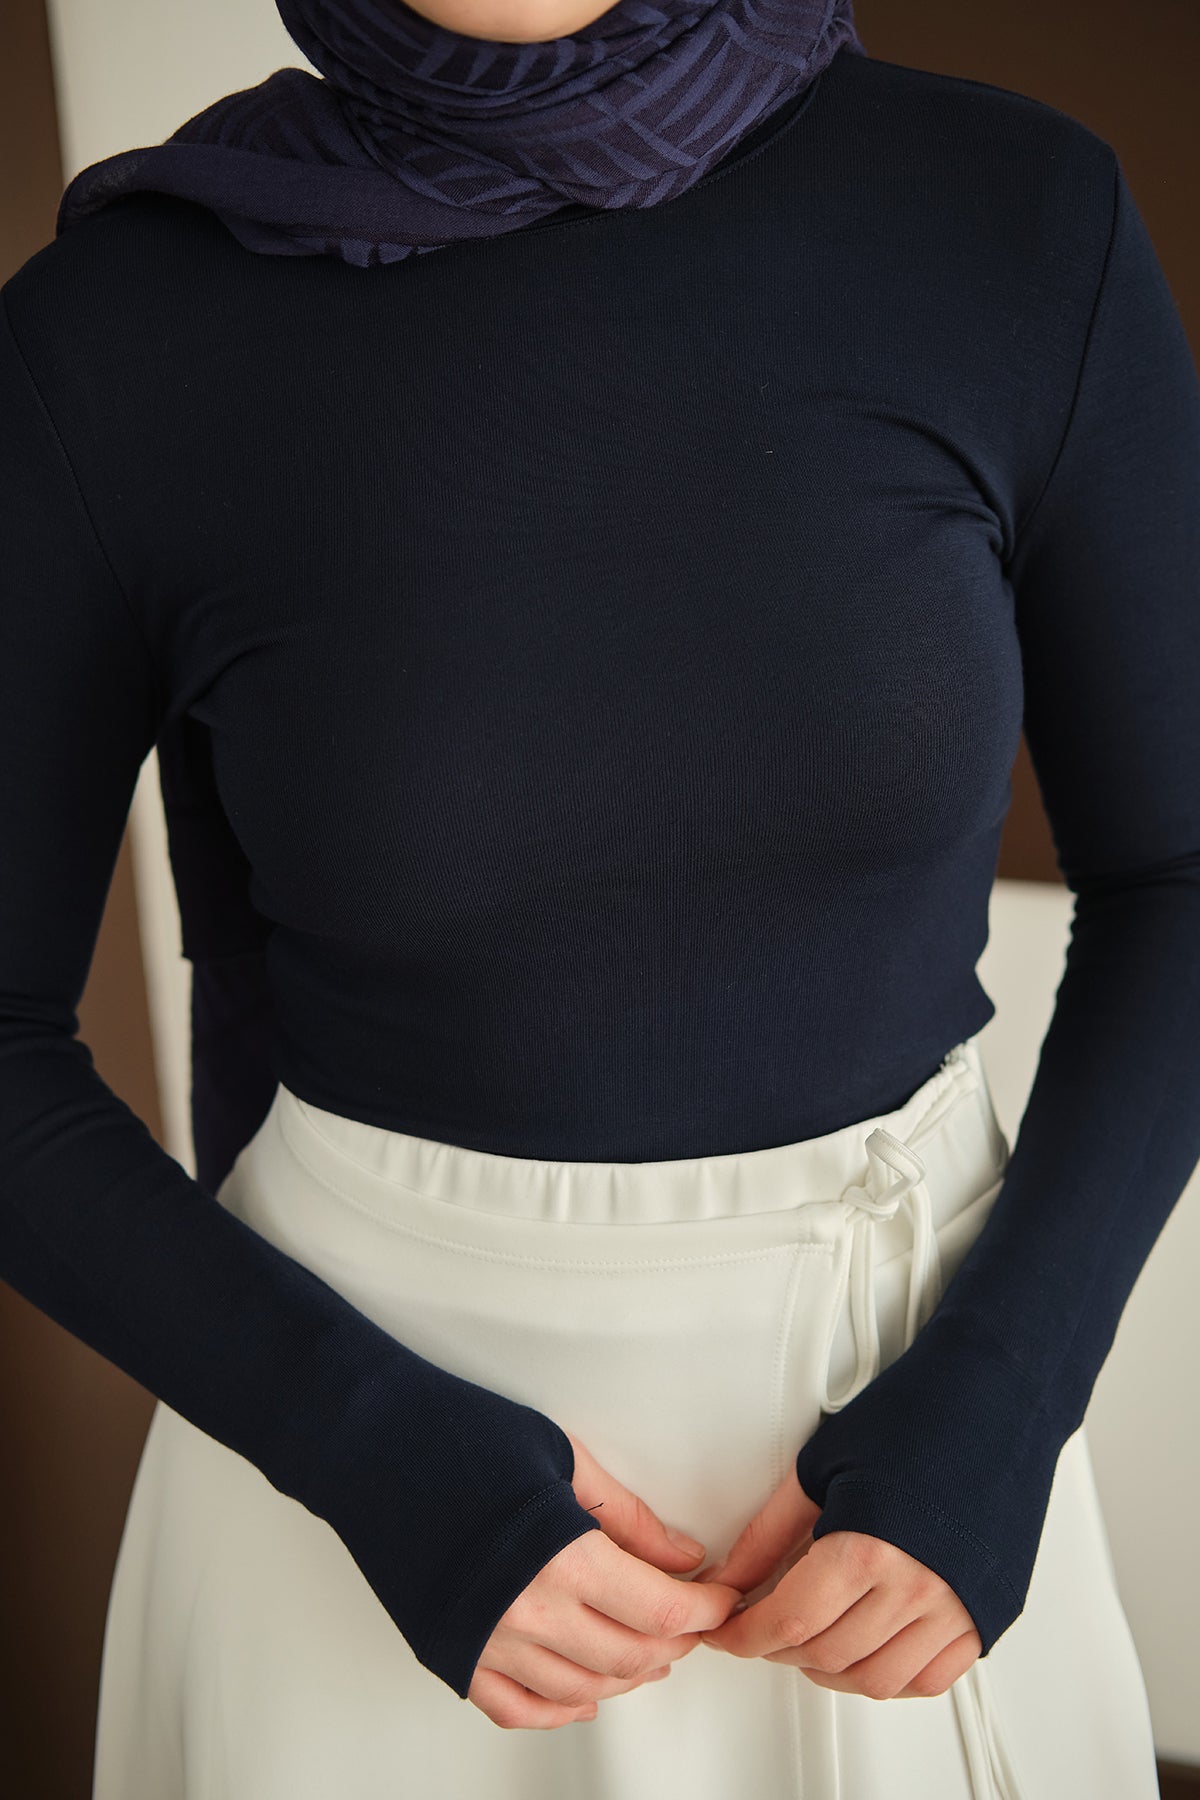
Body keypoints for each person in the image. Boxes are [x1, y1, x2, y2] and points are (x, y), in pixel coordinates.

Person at [2, 1, 1197, 1793]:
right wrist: (366, 1450)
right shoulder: (109, 335)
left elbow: (1181, 875)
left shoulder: (1013, 218)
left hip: (918, 1485)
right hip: (353, 1515)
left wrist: (1007, 1395)